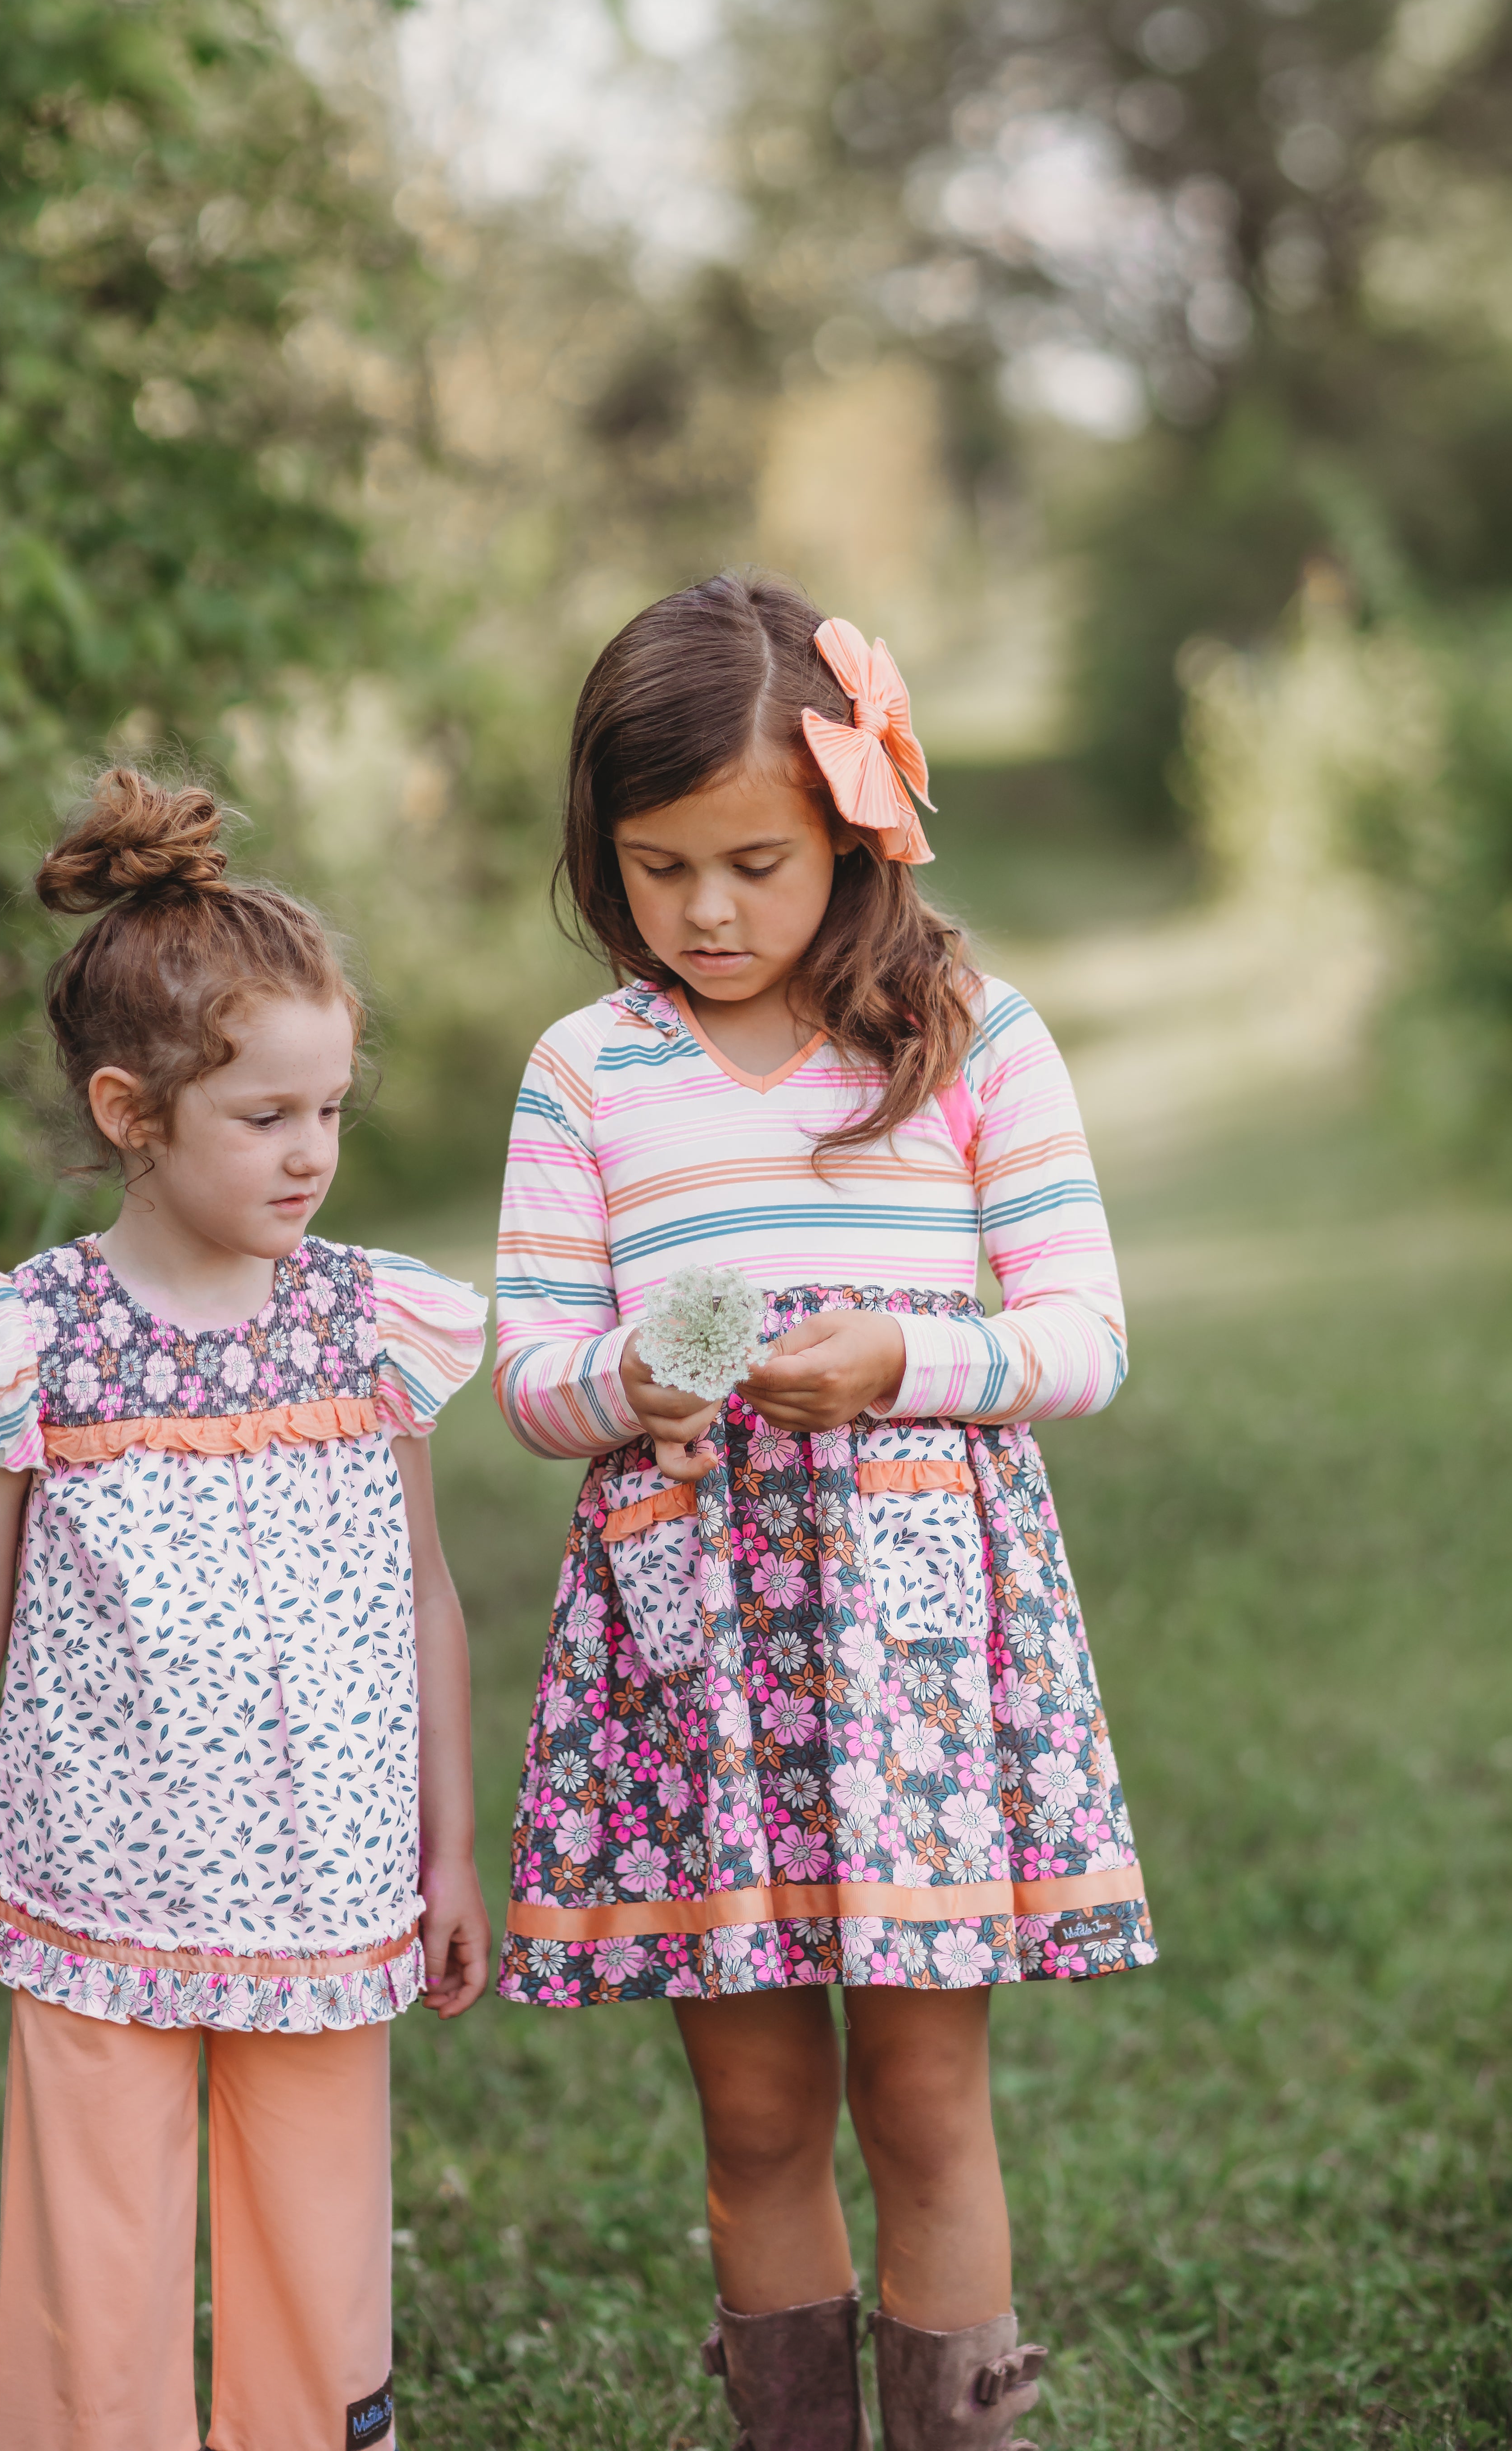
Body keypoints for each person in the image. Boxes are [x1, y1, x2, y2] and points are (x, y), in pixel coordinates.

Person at [493, 575, 1156, 2451]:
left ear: (855, 833)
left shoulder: (963, 1036)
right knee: (760, 2116)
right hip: (695, 1653)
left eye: (754, 864)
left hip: (916, 1653)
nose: (705, 912)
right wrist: (630, 1385)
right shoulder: (585, 1074)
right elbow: (531, 1374)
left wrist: (907, 1363)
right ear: (601, 853)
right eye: (657, 865)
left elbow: (1081, 1337)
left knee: (925, 2105)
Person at [0, 767, 490, 2451]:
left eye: (333, 1111)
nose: (313, 1152)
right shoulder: (33, 1343)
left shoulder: (377, 1327)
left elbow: (427, 1594)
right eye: (267, 1117)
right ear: (131, 1111)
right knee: (103, 2262)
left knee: (317, 2255)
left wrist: (449, 1848)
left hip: (330, 1885)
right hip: (93, 1884)